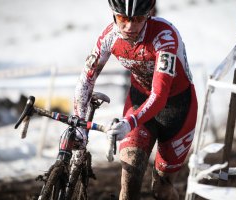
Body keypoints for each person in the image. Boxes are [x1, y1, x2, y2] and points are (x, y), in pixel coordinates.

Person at [73, 0, 198, 199]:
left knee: (162, 189)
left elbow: (159, 95)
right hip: (140, 100)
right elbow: (85, 81)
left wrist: (129, 122)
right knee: (130, 181)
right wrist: (79, 124)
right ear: (114, 14)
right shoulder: (109, 37)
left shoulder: (165, 36)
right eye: (123, 18)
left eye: (138, 19)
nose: (130, 27)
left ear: (149, 14)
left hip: (177, 109)